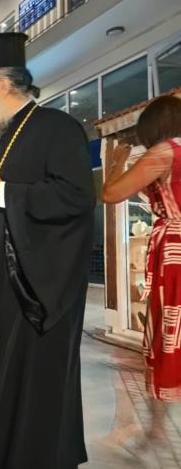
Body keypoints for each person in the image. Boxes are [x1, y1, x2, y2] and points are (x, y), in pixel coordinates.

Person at [0, 32, 94, 467]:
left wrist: (3, 193)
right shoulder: (1, 139)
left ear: (2, 83)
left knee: (31, 389)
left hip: (33, 291)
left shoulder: (57, 128)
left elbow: (76, 197)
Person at [102, 95, 181, 401]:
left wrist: (118, 159)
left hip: (175, 247)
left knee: (173, 316)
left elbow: (111, 193)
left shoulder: (165, 151)